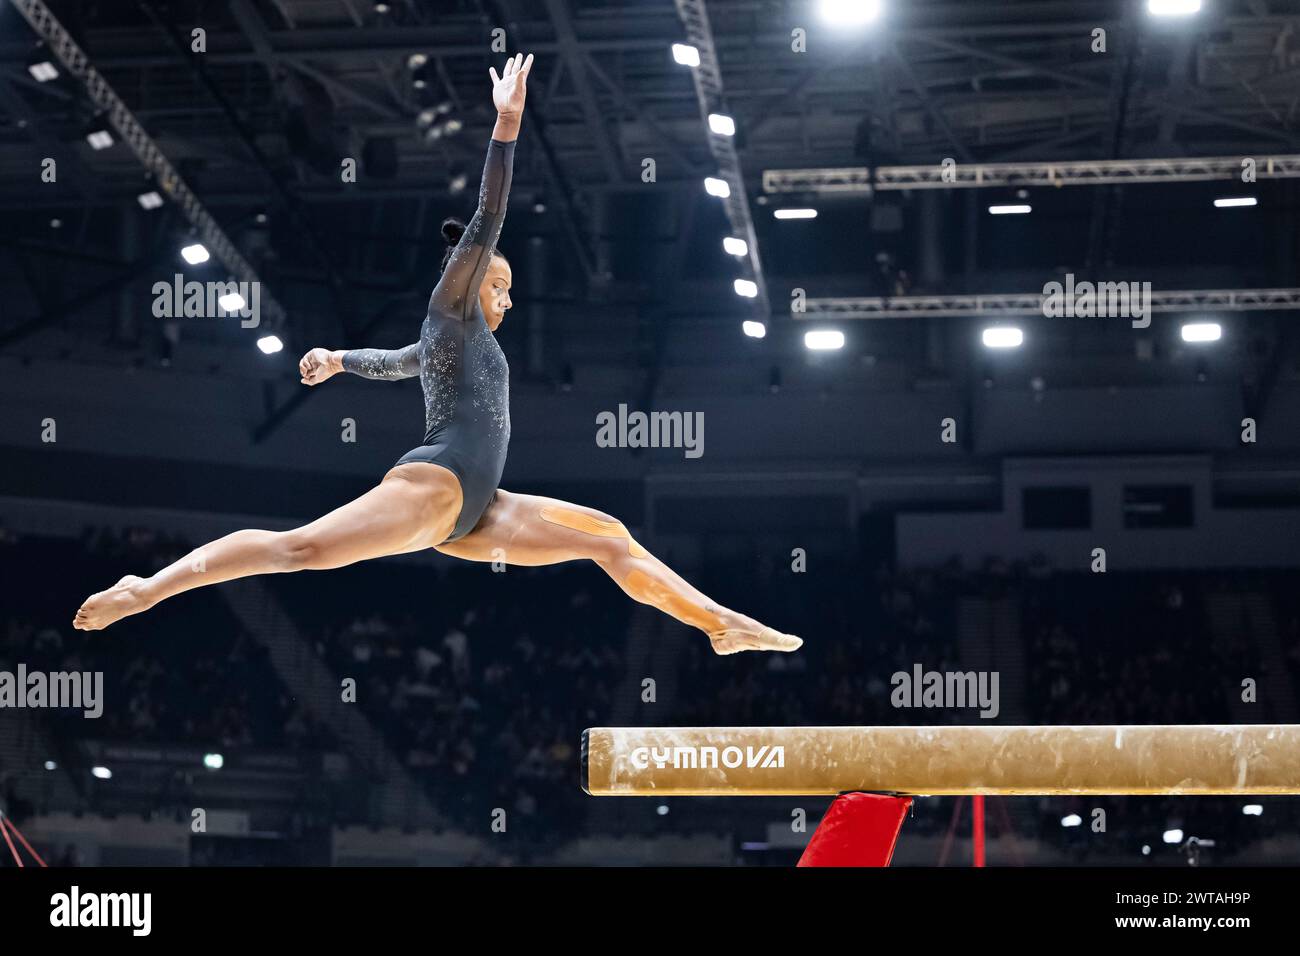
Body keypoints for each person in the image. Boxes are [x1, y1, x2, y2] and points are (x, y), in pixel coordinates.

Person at [74, 52, 800, 658]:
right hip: (435, 487)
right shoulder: (451, 308)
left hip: (482, 510)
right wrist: (508, 124)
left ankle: (721, 627)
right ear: (474, 277)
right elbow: (488, 216)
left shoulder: (451, 341)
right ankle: (148, 589)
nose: (509, 300)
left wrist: (337, 359)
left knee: (609, 537)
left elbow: (399, 363)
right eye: (503, 286)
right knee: (299, 551)